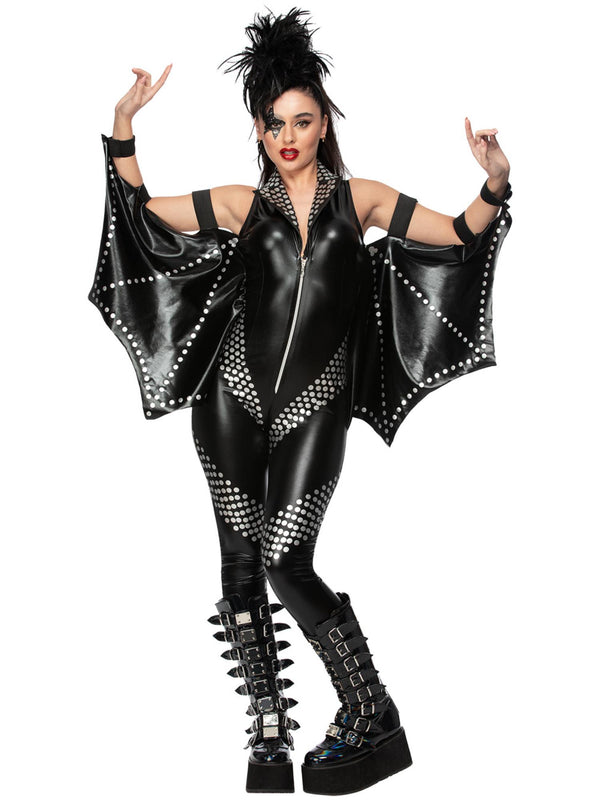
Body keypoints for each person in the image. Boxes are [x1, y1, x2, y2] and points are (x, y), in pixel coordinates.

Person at [90, 8, 512, 795]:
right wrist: (123, 128)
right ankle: (269, 733)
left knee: (287, 561)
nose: (288, 136)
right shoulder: (239, 205)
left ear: (324, 124)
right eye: (274, 122)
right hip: (228, 401)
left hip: (316, 405)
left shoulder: (364, 200)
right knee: (240, 569)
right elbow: (140, 217)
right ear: (259, 128)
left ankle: (371, 711)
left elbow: (458, 234)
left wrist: (493, 180)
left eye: (303, 121)